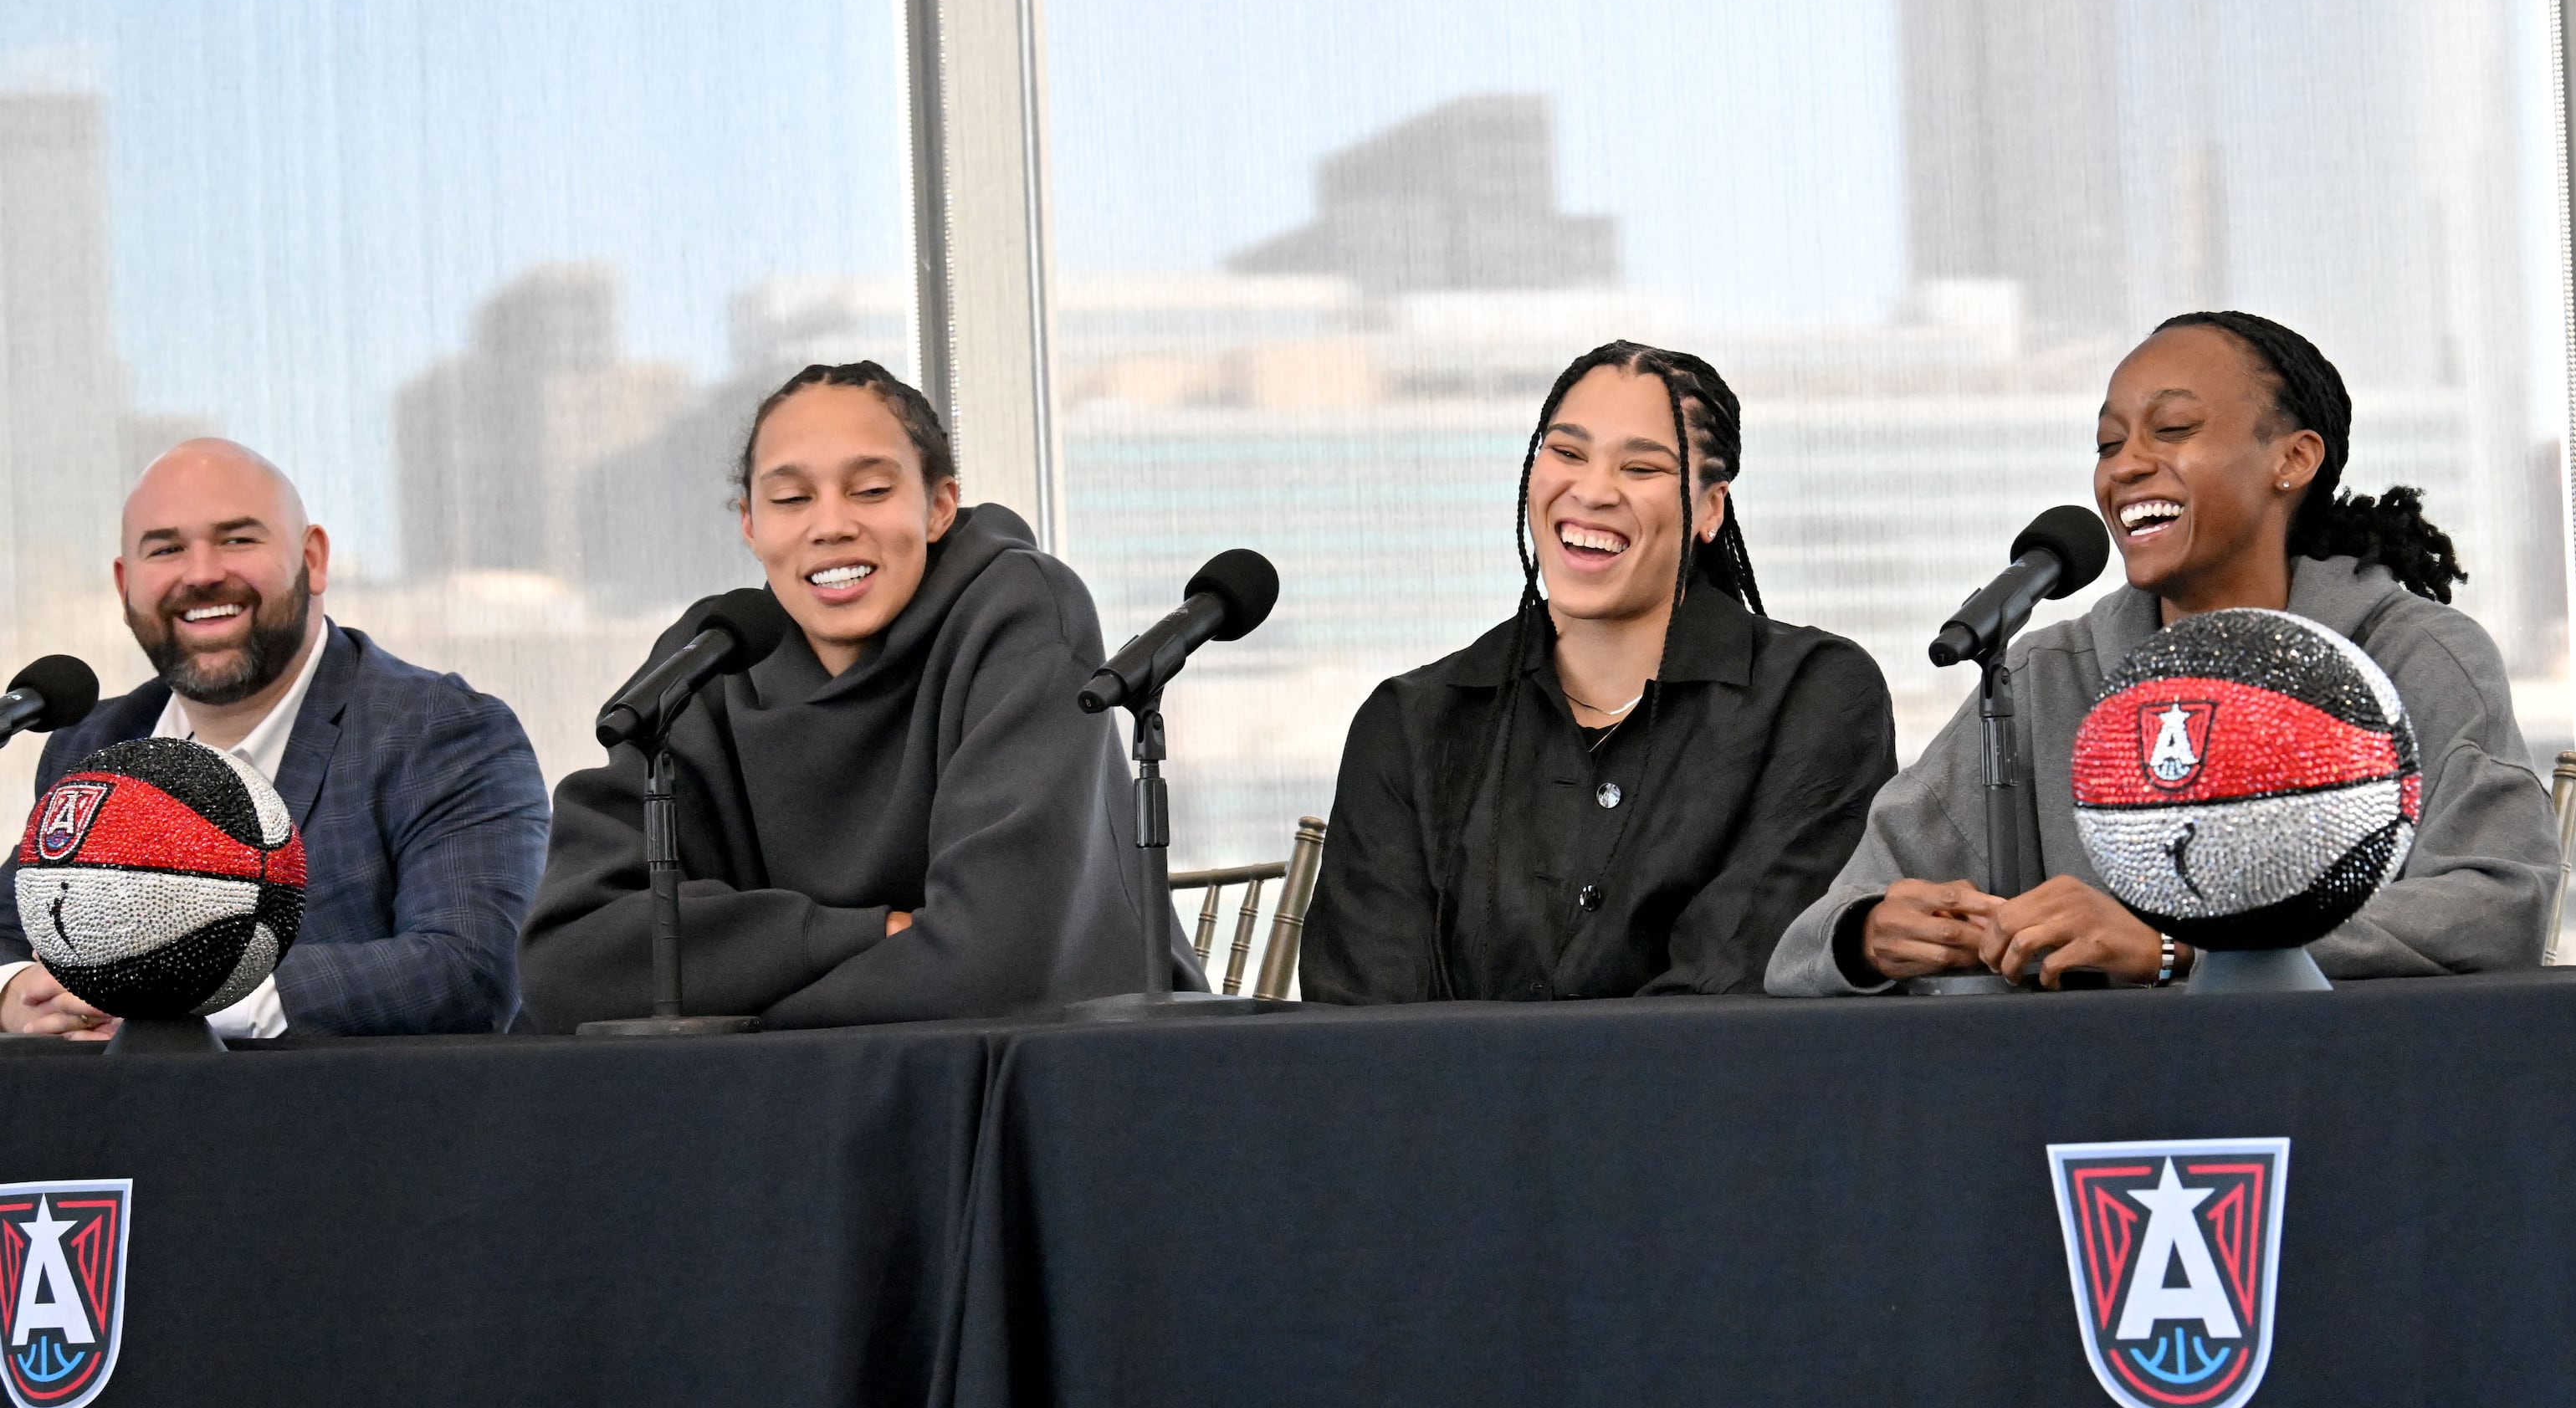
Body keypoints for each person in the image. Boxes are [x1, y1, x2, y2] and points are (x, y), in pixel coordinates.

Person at [1768, 311, 2558, 993]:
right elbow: (1812, 939)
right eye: (2110, 443)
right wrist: (1871, 936)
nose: (2126, 466)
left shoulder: (2416, 656)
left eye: (2172, 430)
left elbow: (2497, 907)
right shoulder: (2044, 677)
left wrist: (2181, 952)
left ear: (2294, 459)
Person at [517, 361, 1163, 1028]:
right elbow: (568, 961)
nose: (830, 525)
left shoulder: (1019, 611)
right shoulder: (712, 654)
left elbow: (994, 963)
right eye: (791, 500)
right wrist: (869, 935)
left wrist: (737, 1020)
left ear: (938, 506)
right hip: (795, 1102)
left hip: (1050, 1079)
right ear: (750, 526)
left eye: (872, 490)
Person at [1304, 341, 1895, 1001]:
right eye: (1566, 453)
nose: (1591, 491)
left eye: (1641, 467)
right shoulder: (1411, 721)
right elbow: (1364, 1019)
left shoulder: (1813, 696)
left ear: (1709, 509)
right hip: (1444, 1106)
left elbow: (1735, 988)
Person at [0, 439, 549, 1040]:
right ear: (125, 584)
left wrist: (170, 1000)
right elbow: (9, 929)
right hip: (108, 1130)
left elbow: (468, 971)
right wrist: (15, 991)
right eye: (166, 549)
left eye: (237, 539)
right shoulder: (94, 742)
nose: (203, 573)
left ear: (312, 559)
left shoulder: (439, 731)